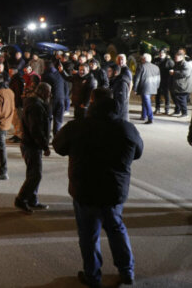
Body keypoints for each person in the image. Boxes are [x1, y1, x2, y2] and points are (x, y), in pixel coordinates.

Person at [53, 88, 143, 287]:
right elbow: (138, 152)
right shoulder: (126, 128)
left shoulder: (77, 127)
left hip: (85, 189)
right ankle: (127, 271)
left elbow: (58, 147)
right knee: (117, 229)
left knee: (89, 234)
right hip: (114, 190)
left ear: (92, 104)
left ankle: (93, 275)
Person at [15, 83, 52, 214]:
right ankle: (22, 199)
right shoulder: (35, 106)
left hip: (32, 144)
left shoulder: (36, 104)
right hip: (31, 145)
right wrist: (44, 145)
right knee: (35, 175)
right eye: (48, 92)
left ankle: (32, 199)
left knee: (33, 173)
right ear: (42, 92)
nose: (50, 95)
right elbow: (35, 129)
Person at [132, 53, 160, 124]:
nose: (141, 60)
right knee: (145, 101)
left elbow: (137, 79)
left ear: (144, 59)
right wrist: (156, 86)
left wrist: (135, 88)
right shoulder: (156, 67)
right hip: (153, 87)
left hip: (145, 87)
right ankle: (143, 115)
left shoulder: (141, 66)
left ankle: (150, 118)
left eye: (142, 58)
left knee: (147, 102)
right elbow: (158, 79)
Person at [42, 60, 65, 136]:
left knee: (48, 119)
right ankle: (57, 137)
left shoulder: (46, 75)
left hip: (51, 100)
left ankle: (47, 136)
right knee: (58, 120)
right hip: (61, 98)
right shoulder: (60, 74)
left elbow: (44, 89)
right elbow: (66, 87)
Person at [169, 49, 192, 117]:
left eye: (176, 57)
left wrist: (174, 73)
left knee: (182, 100)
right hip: (179, 85)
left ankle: (185, 113)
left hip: (183, 86)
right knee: (177, 99)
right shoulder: (178, 63)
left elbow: (185, 73)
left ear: (181, 57)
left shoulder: (185, 64)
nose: (175, 58)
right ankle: (177, 111)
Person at [152, 49, 174, 115]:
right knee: (157, 95)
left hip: (166, 80)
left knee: (166, 95)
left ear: (165, 54)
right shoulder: (155, 60)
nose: (161, 54)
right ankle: (157, 108)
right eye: (160, 53)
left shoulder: (169, 61)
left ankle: (167, 109)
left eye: (163, 53)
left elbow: (172, 70)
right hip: (157, 80)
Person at [7, 67, 24, 143]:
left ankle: (19, 135)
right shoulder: (15, 79)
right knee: (15, 120)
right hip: (15, 102)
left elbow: (17, 93)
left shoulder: (17, 80)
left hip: (17, 103)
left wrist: (16, 103)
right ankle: (16, 134)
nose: (9, 73)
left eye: (11, 72)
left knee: (18, 120)